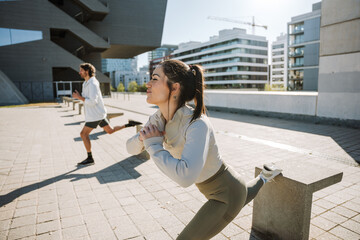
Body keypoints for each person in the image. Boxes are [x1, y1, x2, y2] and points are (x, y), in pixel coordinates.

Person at [126, 59, 282, 239]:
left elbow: (185, 177)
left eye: (155, 78)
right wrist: (142, 137)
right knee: (247, 192)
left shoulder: (197, 124)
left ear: (174, 88)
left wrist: (152, 144)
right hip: (220, 187)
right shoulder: (158, 118)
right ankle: (264, 176)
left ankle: (263, 177)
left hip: (226, 195)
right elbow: (129, 148)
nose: (148, 83)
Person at [73, 63, 141, 166]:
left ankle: (90, 158)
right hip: (97, 114)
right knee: (110, 131)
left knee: (83, 134)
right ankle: (129, 124)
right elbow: (88, 100)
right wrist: (81, 98)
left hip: (95, 115)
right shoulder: (85, 83)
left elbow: (93, 101)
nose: (79, 72)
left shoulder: (93, 84)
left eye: (81, 70)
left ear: (86, 71)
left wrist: (79, 98)